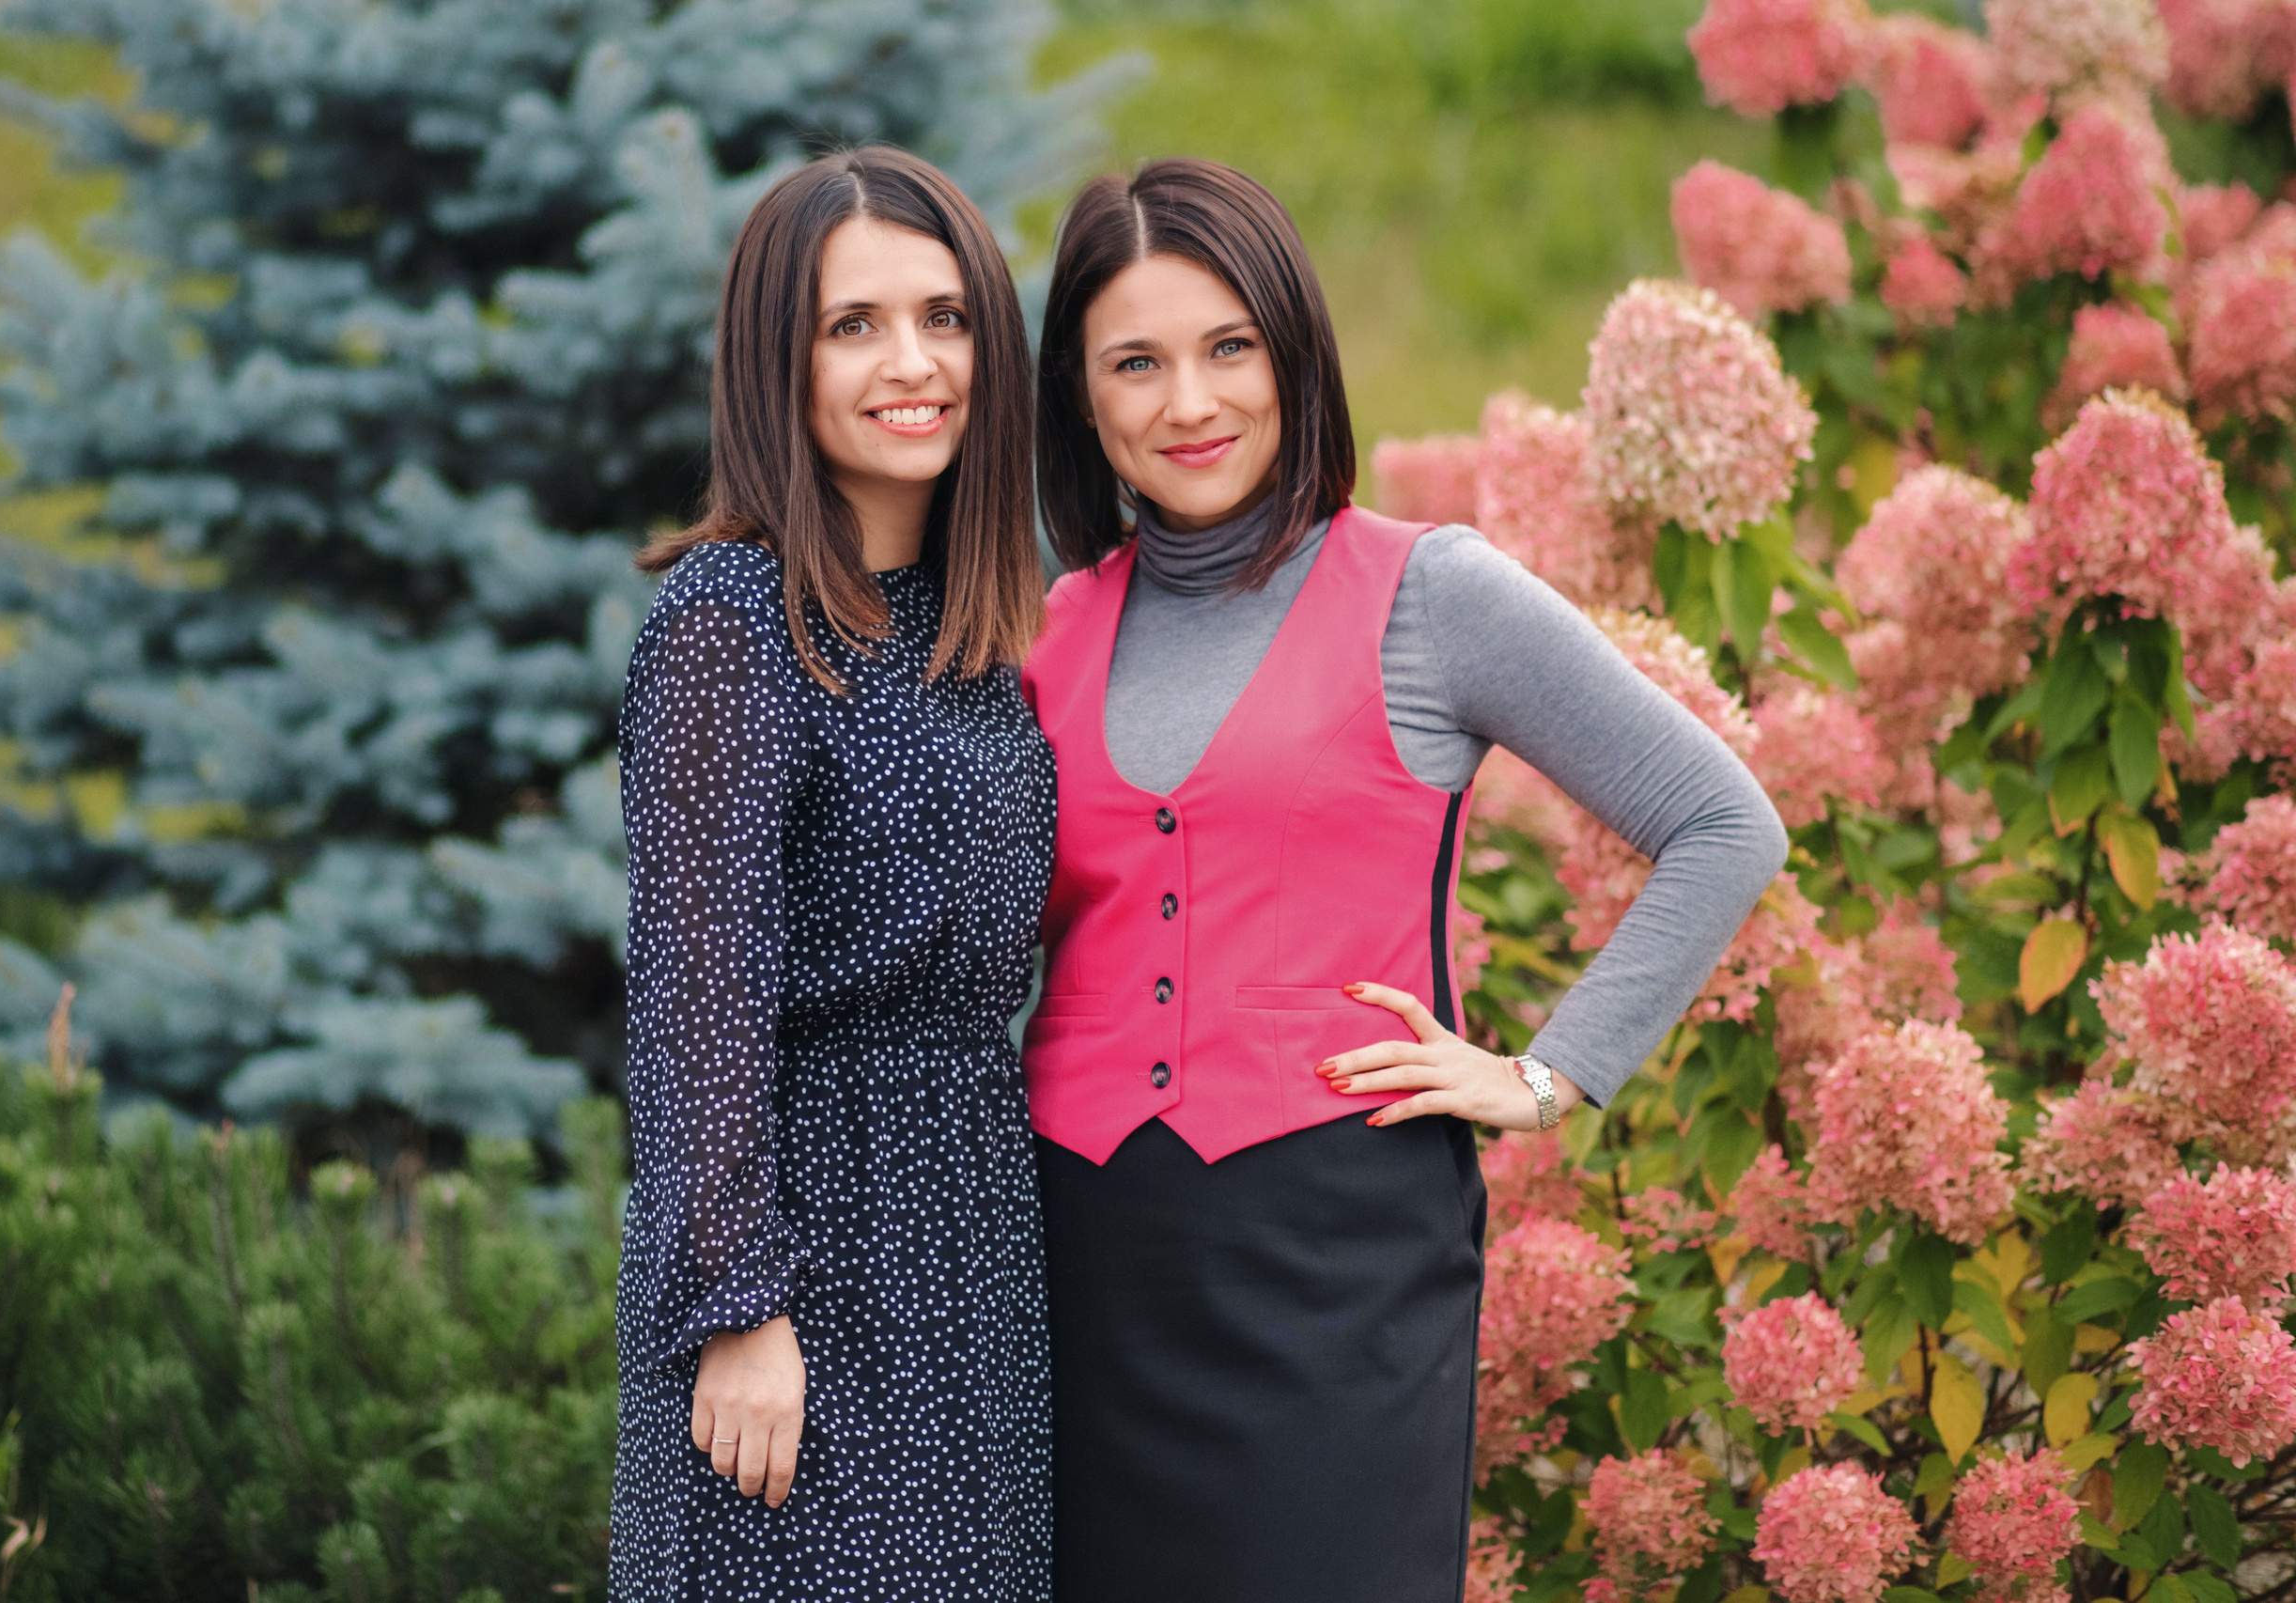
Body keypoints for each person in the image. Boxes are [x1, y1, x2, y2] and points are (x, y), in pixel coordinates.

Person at [1022, 157, 1789, 1603]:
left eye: (1230, 346)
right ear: (1081, 394)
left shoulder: (1433, 594)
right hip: (1086, 1256)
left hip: (1340, 1259)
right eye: (1136, 362)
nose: (1189, 401)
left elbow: (1721, 821)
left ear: (1294, 350)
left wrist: (1548, 1074)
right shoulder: (1045, 627)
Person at [610, 147, 1054, 1603]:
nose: (912, 363)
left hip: (971, 1233)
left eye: (945, 317)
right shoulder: (733, 617)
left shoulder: (974, 625)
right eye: (852, 325)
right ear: (775, 363)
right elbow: (697, 990)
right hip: (805, 1251)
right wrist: (738, 1304)